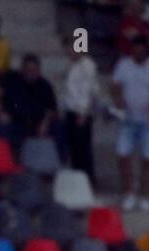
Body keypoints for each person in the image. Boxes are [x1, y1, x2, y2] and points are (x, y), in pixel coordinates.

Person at [111, 36, 149, 211]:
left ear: (147, 50)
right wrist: (118, 99)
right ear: (132, 49)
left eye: (142, 48)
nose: (139, 51)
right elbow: (114, 85)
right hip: (127, 119)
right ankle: (129, 193)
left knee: (148, 159)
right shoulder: (123, 65)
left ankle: (144, 195)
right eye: (136, 48)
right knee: (123, 156)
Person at [61, 32, 99, 179]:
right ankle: (78, 181)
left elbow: (87, 90)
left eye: (69, 48)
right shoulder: (72, 66)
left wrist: (83, 113)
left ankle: (88, 181)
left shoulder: (87, 65)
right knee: (75, 150)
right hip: (71, 112)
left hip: (81, 114)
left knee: (83, 150)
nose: (67, 52)